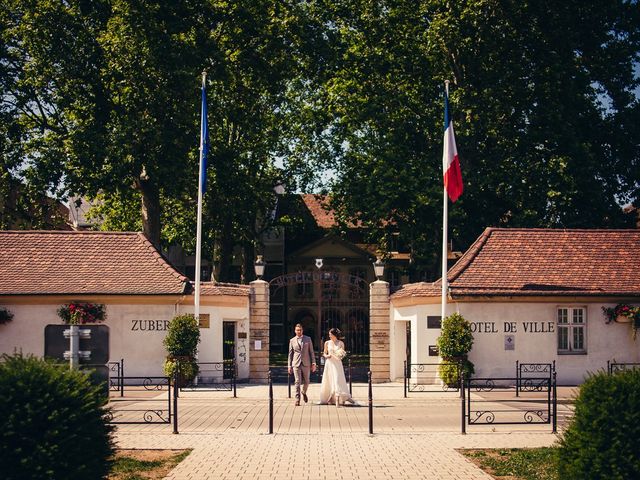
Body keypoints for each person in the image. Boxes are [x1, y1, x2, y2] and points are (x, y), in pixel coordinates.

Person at [319, 328, 358, 407]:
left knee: (337, 380)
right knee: (329, 380)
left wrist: (339, 356)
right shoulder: (327, 343)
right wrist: (327, 356)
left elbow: (342, 354)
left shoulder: (341, 343)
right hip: (329, 364)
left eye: (330, 334)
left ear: (334, 335)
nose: (329, 335)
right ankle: (330, 397)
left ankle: (337, 397)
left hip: (337, 364)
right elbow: (324, 353)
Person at [288, 323, 316, 406]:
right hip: (296, 363)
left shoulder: (308, 339)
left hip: (306, 363)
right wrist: (289, 366)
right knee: (297, 381)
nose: (298, 331)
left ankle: (303, 392)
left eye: (300, 330)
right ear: (295, 331)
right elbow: (290, 354)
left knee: (307, 381)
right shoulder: (292, 340)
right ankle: (297, 399)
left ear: (302, 330)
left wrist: (313, 363)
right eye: (297, 330)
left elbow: (311, 352)